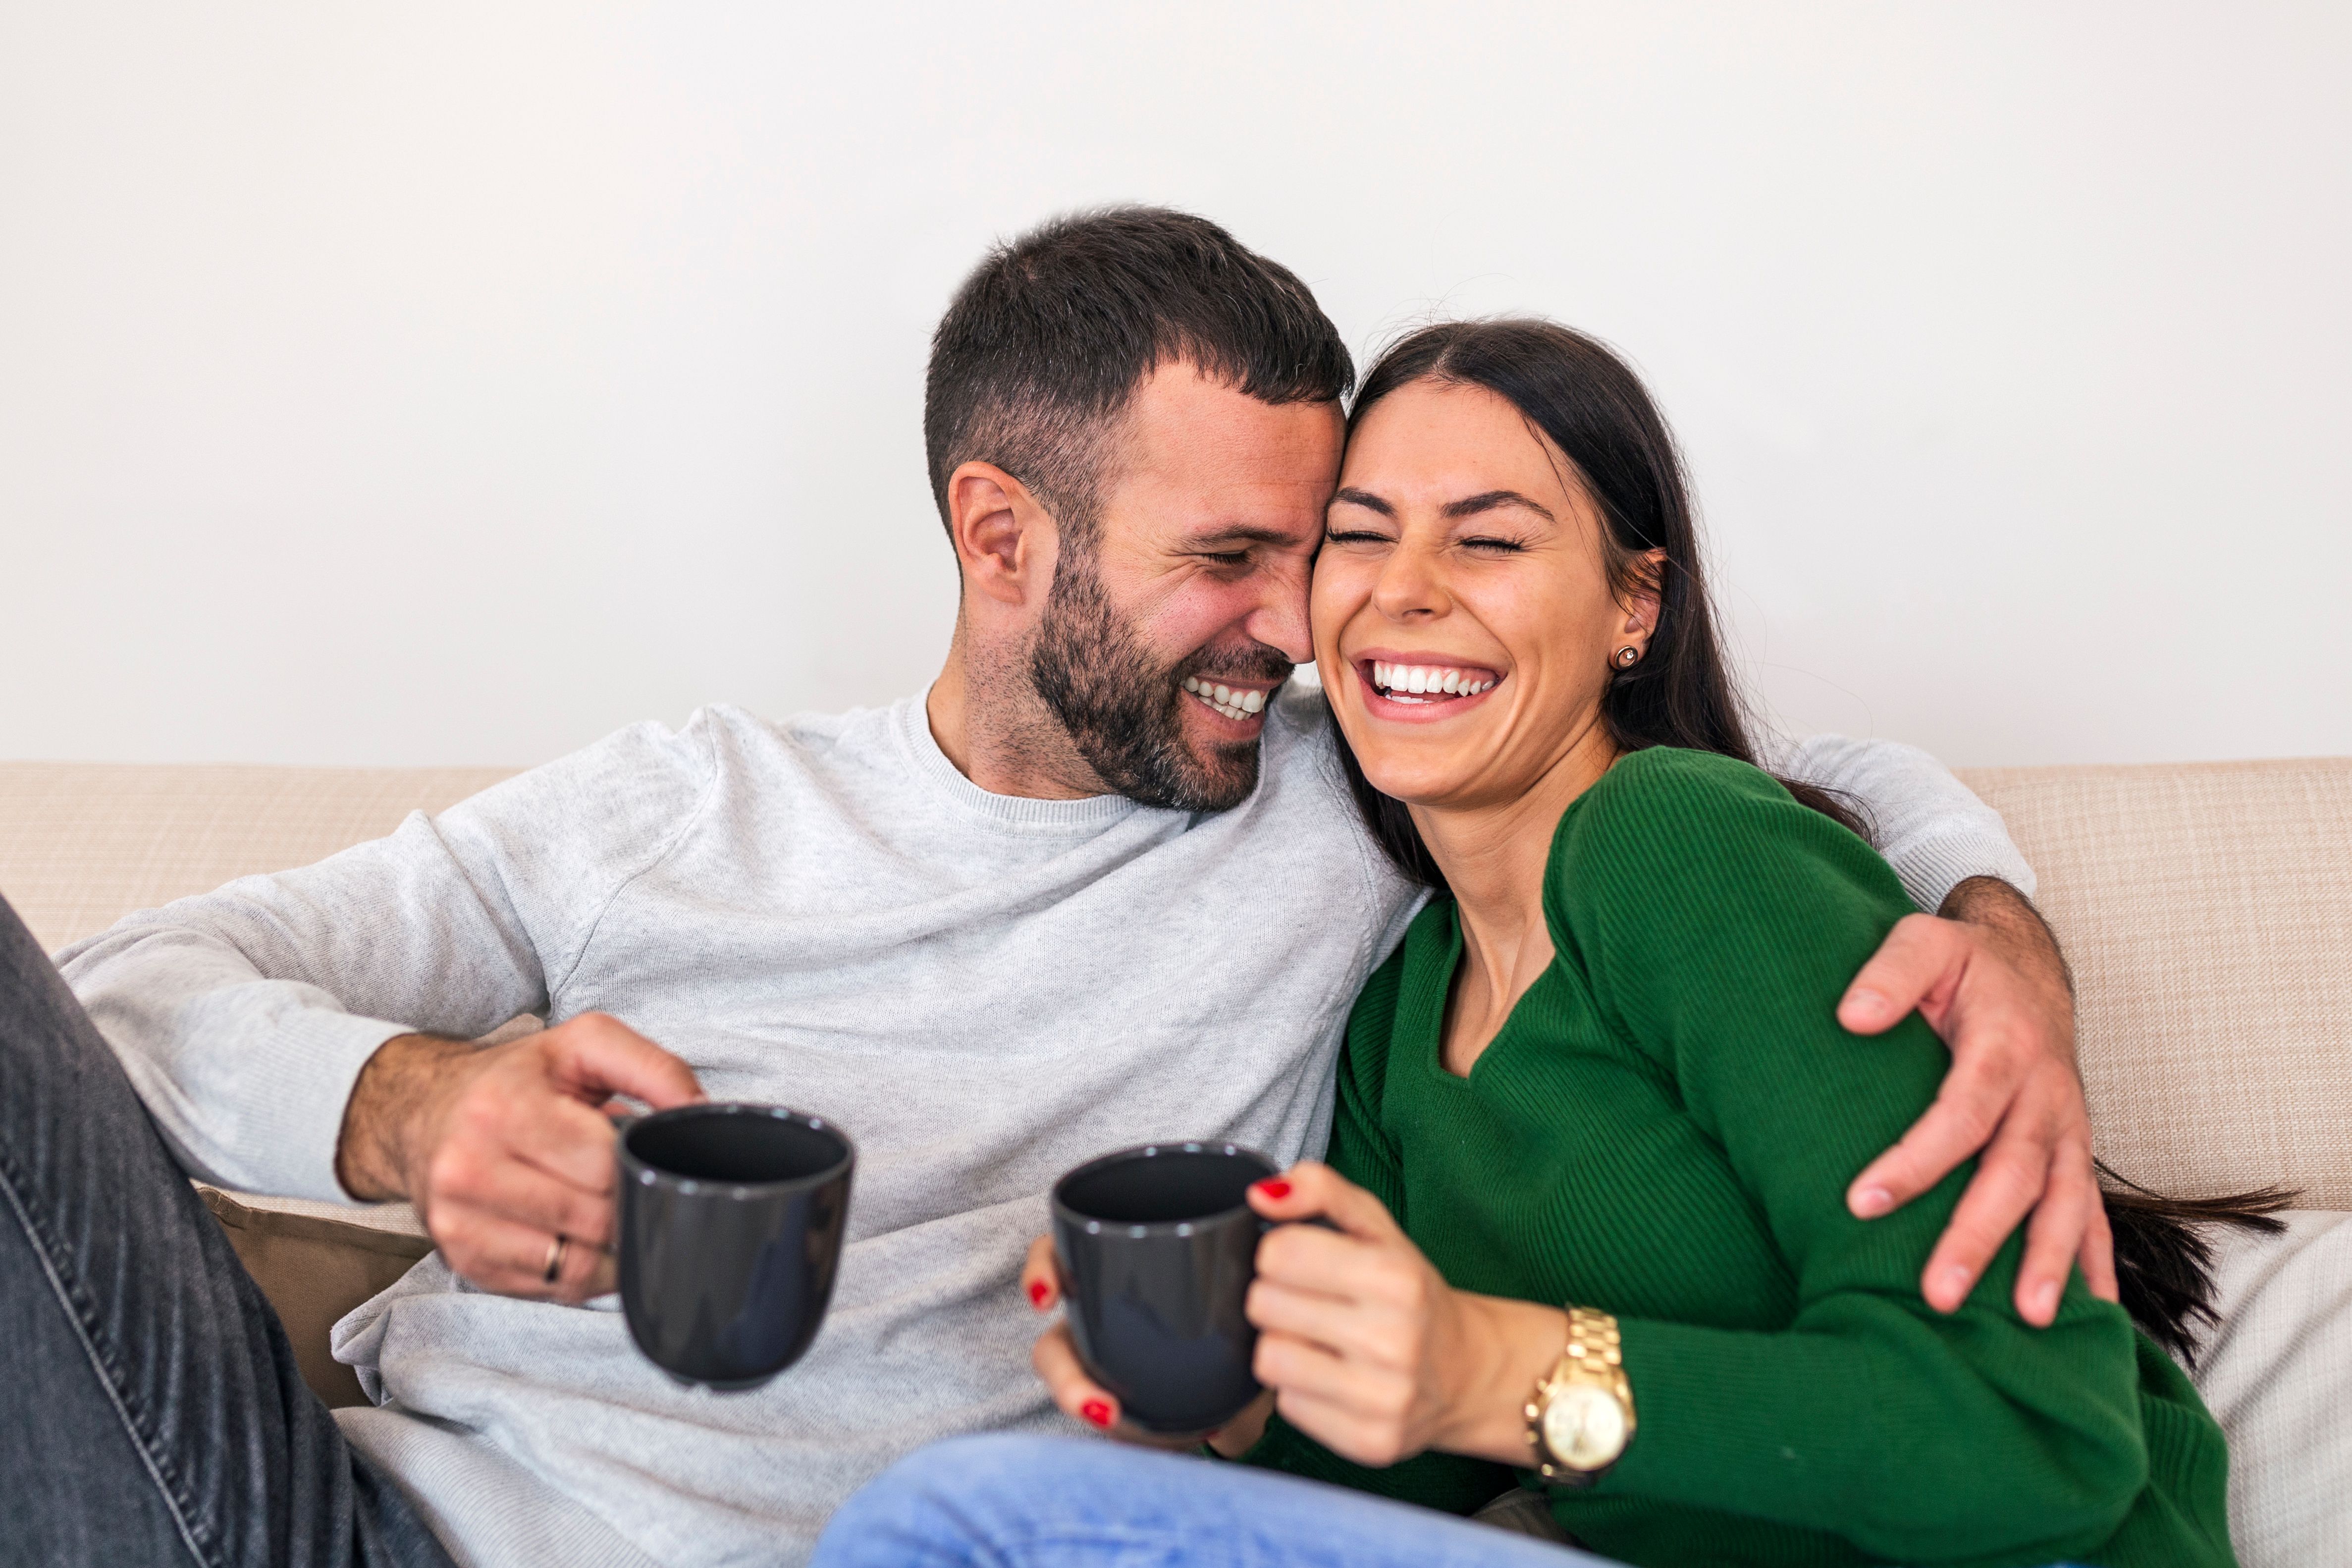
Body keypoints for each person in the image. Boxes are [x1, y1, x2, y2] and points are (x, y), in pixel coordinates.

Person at [6, 211, 2095, 1568]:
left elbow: (1729, 769)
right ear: (1001, 538)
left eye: (1321, 540)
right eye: (1234, 561)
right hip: (331, 1534)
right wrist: (410, 1106)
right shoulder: (667, 809)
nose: (1310, 622)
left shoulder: (1349, 794)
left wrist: (1991, 936)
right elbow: (130, 988)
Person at [808, 320, 2246, 1568]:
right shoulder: (1399, 1010)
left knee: (963, 1525)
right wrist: (1235, 1397)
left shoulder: (1679, 845)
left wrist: (1495, 1366)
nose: (1406, 588)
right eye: (1358, 536)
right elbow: (1412, 1470)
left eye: (1489, 539)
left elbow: (2033, 1441)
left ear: (1634, 604)